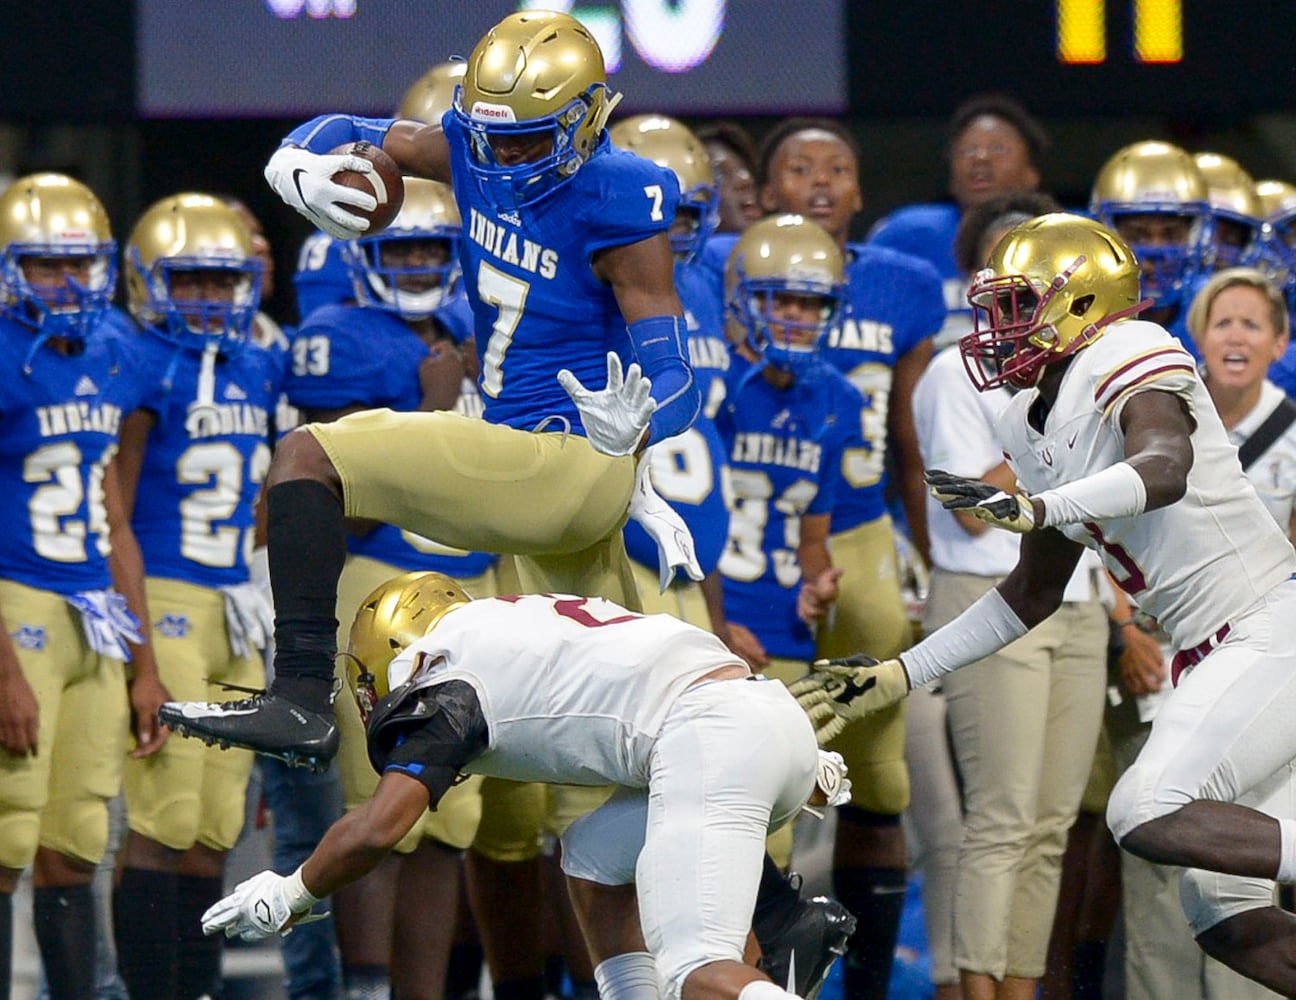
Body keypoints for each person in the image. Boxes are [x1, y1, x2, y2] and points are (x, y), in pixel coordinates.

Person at [159, 9, 702, 770]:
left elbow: (679, 376)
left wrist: (639, 427)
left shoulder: (622, 196)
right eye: (491, 135)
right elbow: (350, 126)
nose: (504, 155)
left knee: (307, 456)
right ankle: (769, 890)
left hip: (567, 457)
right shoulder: (471, 150)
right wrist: (294, 159)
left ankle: (301, 697)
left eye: (527, 136)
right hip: (543, 480)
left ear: (586, 119)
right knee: (617, 762)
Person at [792, 211, 1296, 996]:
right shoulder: (1024, 416)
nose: (996, 328)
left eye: (1016, 305)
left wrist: (1039, 508)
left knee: (1144, 808)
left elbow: (1163, 464)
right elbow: (1027, 596)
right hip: (1214, 653)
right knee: (1228, 921)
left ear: (1085, 304)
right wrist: (900, 671)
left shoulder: (1134, 349)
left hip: (1266, 626)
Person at [199, 571, 847, 1000]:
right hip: (768, 720)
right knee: (590, 860)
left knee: (696, 967)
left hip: (712, 738)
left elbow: (381, 827)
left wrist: (290, 892)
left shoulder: (445, 677)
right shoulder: (513, 624)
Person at [286, 176, 495, 1000]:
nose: (415, 264)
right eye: (399, 248)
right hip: (377, 577)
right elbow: (320, 493)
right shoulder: (337, 333)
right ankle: (367, 988)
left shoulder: (474, 328)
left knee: (449, 821)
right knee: (383, 804)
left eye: (430, 250)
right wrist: (424, 408)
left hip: (472, 579)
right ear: (365, 256)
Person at [756, 116, 944, 1000]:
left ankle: (865, 987)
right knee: (757, 766)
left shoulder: (900, 285)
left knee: (880, 774)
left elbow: (907, 433)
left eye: (839, 168)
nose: (821, 182)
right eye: (800, 168)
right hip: (763, 531)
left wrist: (927, 543)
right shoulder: (723, 262)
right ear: (766, 192)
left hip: (862, 526)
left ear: (862, 193)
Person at [913, 195, 1110, 1000]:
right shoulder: (952, 367)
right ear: (978, 276)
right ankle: (975, 991)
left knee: (1050, 829)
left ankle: (1021, 989)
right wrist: (1060, 448)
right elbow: (968, 501)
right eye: (1008, 259)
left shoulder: (1088, 364)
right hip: (990, 587)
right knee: (997, 821)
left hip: (1084, 592)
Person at [108, 192, 282, 1000]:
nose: (210, 298)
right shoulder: (139, 360)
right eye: (191, 281)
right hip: (170, 594)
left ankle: (196, 990)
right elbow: (116, 509)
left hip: (235, 606)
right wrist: (140, 654)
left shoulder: (258, 359)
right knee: (163, 819)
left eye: (224, 281)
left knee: (213, 830)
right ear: (149, 283)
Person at [0, 172, 168, 1000]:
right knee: (3, 838)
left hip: (95, 608)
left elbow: (116, 515)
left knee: (73, 840)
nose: (65, 283)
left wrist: (145, 663)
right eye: (43, 266)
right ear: (9, 269)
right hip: (17, 599)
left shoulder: (117, 347)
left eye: (78, 265)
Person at [868, 94, 1048, 347]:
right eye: (968, 150)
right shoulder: (905, 236)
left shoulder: (1067, 236)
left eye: (998, 148)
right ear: (951, 174)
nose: (981, 158)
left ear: (1032, 173)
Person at [1089, 139, 1213, 347]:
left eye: (1171, 235)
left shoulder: (1215, 316)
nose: (1156, 251)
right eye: (1138, 235)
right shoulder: (1082, 319)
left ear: (1195, 234)